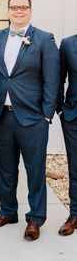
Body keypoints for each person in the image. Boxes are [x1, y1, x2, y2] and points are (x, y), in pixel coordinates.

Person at [0, 0, 60, 240]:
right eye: (14, 7)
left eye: (23, 7)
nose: (18, 11)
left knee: (34, 170)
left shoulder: (44, 39)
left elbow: (52, 80)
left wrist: (46, 115)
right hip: (1, 117)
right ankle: (8, 211)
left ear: (30, 10)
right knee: (5, 168)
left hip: (33, 118)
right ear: (7, 10)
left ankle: (36, 218)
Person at [57, 35, 77, 236]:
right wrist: (60, 108)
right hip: (73, 116)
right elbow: (58, 78)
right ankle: (74, 214)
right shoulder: (68, 44)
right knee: (75, 166)